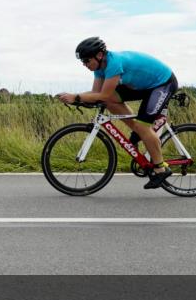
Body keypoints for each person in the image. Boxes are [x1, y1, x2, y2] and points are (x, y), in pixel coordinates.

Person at [57, 37, 178, 189]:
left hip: (163, 83)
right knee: (110, 101)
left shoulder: (113, 64)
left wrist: (76, 96)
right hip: (144, 85)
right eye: (82, 62)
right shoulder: (99, 68)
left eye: (87, 61)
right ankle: (139, 131)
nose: (85, 65)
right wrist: (76, 99)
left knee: (142, 126)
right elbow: (97, 94)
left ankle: (161, 168)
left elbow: (102, 95)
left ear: (99, 55)